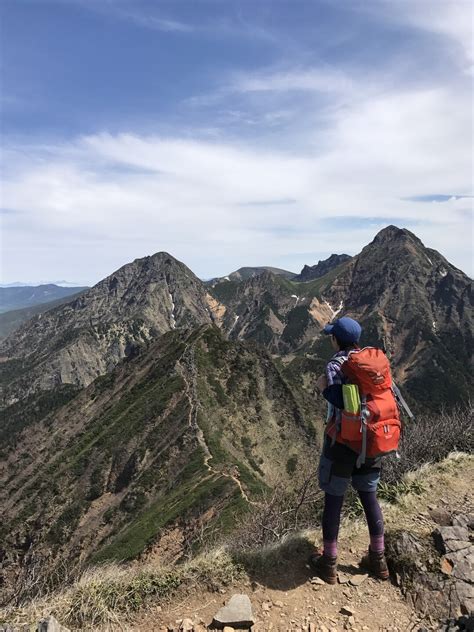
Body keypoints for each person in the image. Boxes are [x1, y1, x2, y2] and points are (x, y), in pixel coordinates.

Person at [309, 316, 389, 584]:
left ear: (335, 340)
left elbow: (338, 399)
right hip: (372, 442)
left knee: (334, 500)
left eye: (331, 336)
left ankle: (329, 563)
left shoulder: (335, 365)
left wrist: (322, 388)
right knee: (369, 497)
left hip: (342, 443)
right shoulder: (372, 361)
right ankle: (378, 559)